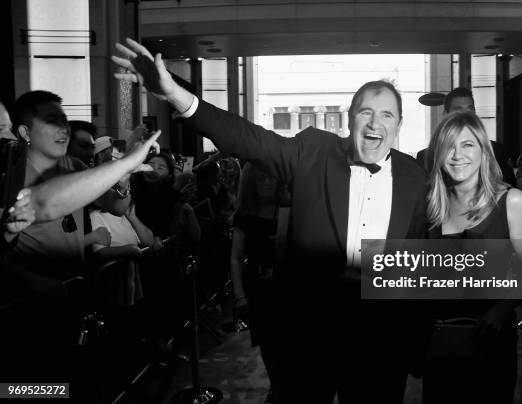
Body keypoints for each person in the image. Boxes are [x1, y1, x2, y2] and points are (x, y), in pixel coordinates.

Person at [113, 38, 428, 403]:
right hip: (311, 333)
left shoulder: (414, 176)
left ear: (400, 124)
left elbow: (415, 262)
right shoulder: (314, 151)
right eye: (366, 112)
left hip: (380, 339)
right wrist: (176, 95)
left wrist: (415, 343)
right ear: (349, 118)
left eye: (387, 114)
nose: (375, 123)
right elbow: (248, 138)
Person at [0, 90, 160, 388]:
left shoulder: (73, 167)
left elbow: (117, 206)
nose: (64, 128)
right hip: (28, 299)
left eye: (64, 120)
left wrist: (124, 181)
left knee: (75, 380)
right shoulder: (10, 176)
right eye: (52, 120)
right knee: (29, 387)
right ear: (24, 132)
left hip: (73, 290)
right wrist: (31, 281)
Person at [424, 111, 522, 403]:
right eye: (449, 146)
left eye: (467, 145)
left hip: (490, 341)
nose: (457, 155)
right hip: (441, 343)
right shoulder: (431, 207)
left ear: (483, 151)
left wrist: (500, 311)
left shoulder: (511, 201)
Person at [230, 163, 284, 403]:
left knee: (288, 343)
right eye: (261, 177)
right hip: (258, 287)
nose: (267, 182)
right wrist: (239, 294)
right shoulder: (245, 213)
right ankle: (276, 387)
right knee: (267, 344)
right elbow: (235, 257)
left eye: (271, 177)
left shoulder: (288, 208)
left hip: (287, 285)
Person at [417, 87, 516, 185]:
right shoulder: (426, 157)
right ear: (446, 114)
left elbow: (507, 185)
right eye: (458, 110)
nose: (466, 115)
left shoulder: (496, 151)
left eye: (470, 109)